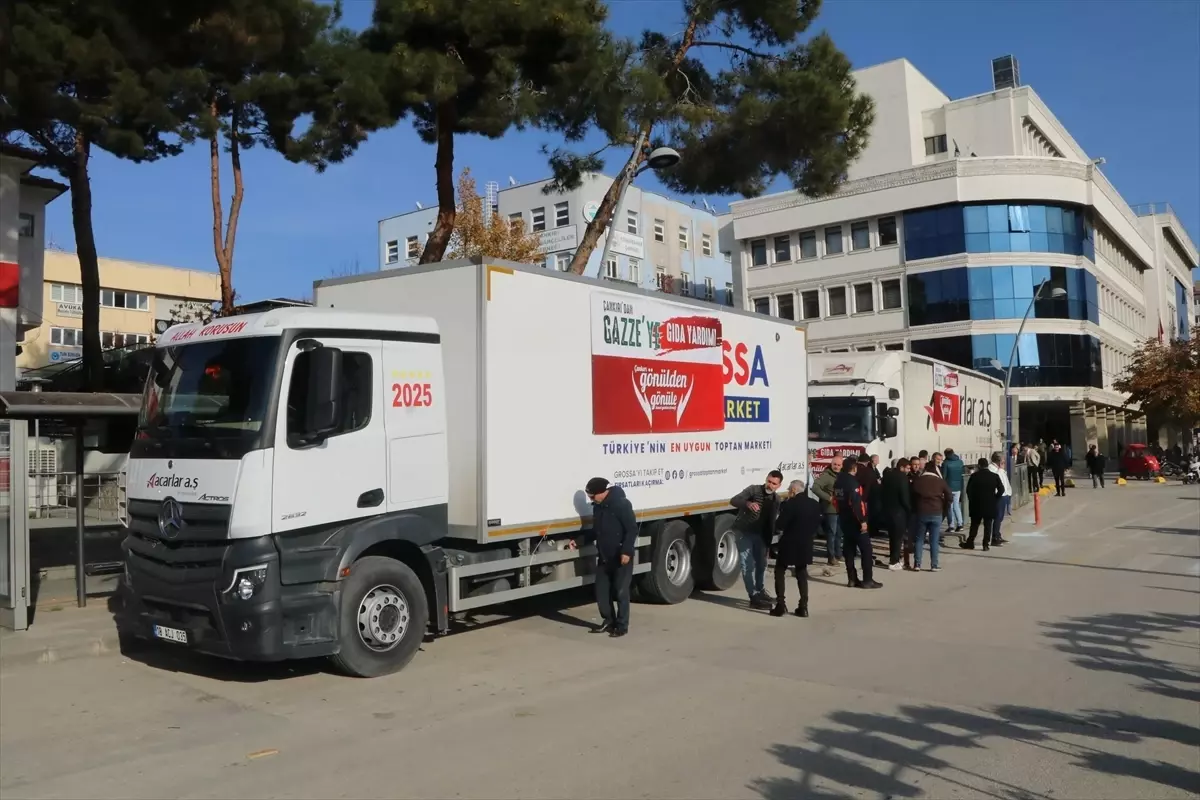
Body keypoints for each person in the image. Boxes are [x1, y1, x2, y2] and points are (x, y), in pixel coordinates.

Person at [585, 477, 638, 637]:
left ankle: (622, 626)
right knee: (601, 591)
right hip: (604, 556)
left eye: (592, 496)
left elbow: (631, 529)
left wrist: (627, 551)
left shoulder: (621, 505)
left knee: (620, 591)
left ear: (602, 492)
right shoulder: (598, 507)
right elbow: (596, 531)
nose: (591, 500)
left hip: (620, 556)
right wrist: (579, 540)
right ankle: (609, 620)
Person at [730, 470, 783, 610]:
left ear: (779, 485)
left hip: (761, 536)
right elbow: (734, 500)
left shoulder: (776, 499)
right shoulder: (753, 490)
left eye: (774, 484)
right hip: (744, 532)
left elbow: (772, 522)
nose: (770, 485)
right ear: (766, 479)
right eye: (769, 481)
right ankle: (753, 597)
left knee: (762, 565)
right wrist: (748, 504)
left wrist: (769, 542)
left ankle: (760, 591)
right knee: (747, 566)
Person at [771, 479, 821, 617]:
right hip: (806, 542)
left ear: (793, 490)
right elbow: (817, 523)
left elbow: (780, 524)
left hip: (789, 542)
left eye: (789, 490)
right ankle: (803, 606)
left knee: (780, 571)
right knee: (801, 573)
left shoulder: (790, 504)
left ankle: (781, 604)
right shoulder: (814, 504)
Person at [835, 461, 882, 588]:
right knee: (866, 550)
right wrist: (862, 521)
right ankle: (868, 579)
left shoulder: (838, 482)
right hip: (855, 521)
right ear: (854, 468)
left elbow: (835, 501)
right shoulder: (852, 483)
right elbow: (856, 504)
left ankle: (852, 578)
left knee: (849, 550)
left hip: (844, 519)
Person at [911, 462, 951, 571]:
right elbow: (949, 496)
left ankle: (917, 564)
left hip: (921, 512)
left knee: (919, 539)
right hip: (936, 512)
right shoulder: (940, 481)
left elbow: (912, 496)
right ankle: (934, 565)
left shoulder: (918, 481)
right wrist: (944, 508)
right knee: (934, 540)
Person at [961, 459, 1003, 551]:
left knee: (974, 525)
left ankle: (970, 542)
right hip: (990, 504)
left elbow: (968, 490)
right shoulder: (994, 476)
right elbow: (1001, 490)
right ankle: (985, 544)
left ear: (979, 466)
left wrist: (972, 500)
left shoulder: (974, 476)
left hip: (976, 505)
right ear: (987, 465)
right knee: (988, 525)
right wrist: (995, 498)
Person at [880, 457, 912, 571]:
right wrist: (909, 509)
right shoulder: (902, 478)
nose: (909, 470)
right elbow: (904, 497)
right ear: (901, 467)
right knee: (898, 538)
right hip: (899, 512)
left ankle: (893, 559)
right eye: (907, 468)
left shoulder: (887, 476)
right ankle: (895, 561)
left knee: (892, 537)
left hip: (888, 510)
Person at [811, 457, 844, 567]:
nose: (836, 466)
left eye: (839, 465)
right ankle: (831, 557)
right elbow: (815, 487)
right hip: (830, 509)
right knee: (831, 534)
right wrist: (827, 497)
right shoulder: (826, 475)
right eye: (835, 464)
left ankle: (838, 554)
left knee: (839, 534)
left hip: (840, 508)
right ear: (831, 464)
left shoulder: (841, 475)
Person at [988, 452, 1013, 546]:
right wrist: (1000, 469)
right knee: (997, 517)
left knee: (1001, 517)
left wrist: (1009, 492)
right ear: (998, 460)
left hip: (1005, 495)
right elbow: (995, 479)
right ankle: (994, 537)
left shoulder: (1000, 469)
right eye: (1002, 459)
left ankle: (998, 534)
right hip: (998, 495)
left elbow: (1005, 480)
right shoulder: (992, 468)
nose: (1004, 461)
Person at [942, 448, 965, 535]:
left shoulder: (946, 463)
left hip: (949, 488)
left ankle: (951, 525)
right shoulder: (960, 462)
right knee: (956, 506)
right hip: (958, 487)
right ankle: (960, 524)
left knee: (949, 507)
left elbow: (944, 476)